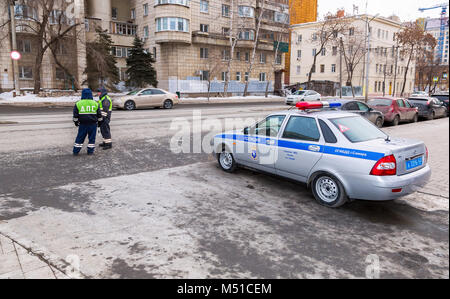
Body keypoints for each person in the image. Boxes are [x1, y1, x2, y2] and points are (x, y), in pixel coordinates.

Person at [73, 88, 103, 156]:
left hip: (83, 124)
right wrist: (100, 123)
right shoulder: (95, 103)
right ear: (90, 95)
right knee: (92, 138)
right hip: (93, 125)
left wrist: (76, 122)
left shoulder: (78, 103)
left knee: (80, 138)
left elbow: (75, 115)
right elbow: (99, 115)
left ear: (82, 95)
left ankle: (76, 151)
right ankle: (90, 151)